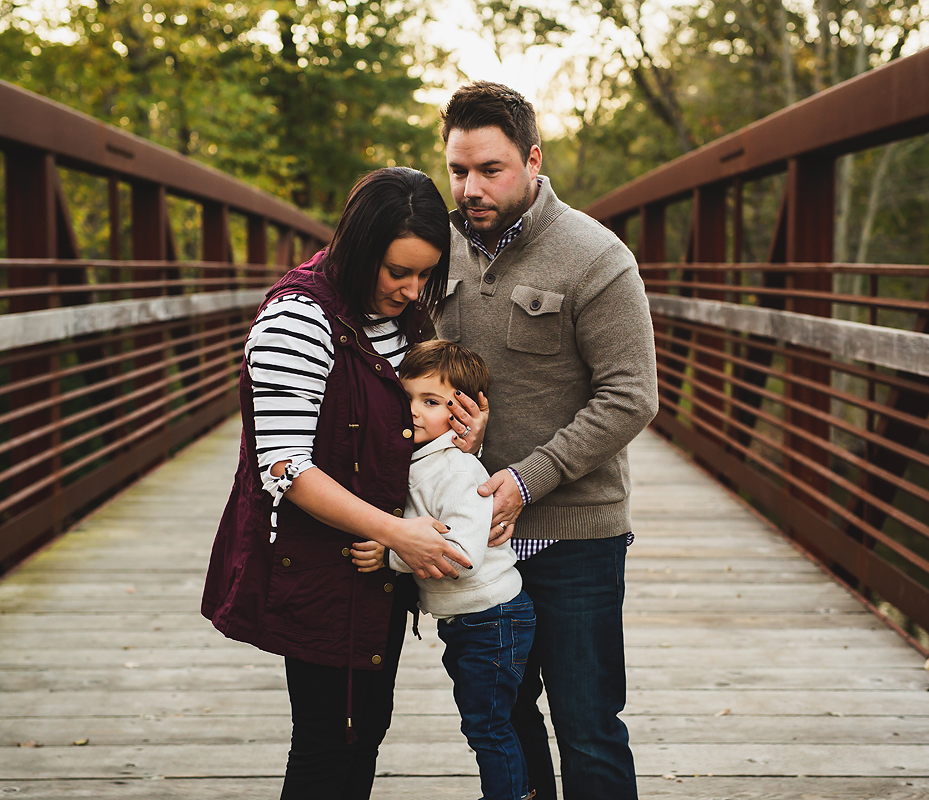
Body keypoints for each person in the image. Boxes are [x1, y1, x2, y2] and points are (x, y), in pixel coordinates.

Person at [201, 167, 485, 800]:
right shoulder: (297, 320)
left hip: (379, 560)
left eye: (424, 274)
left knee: (365, 730)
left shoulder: (401, 316)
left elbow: (406, 420)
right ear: (359, 249)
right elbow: (284, 467)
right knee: (330, 739)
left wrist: (460, 435)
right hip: (321, 561)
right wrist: (396, 534)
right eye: (397, 272)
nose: (413, 291)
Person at [435, 81, 659, 800]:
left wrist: (529, 478)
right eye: (457, 170)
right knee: (501, 718)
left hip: (574, 538)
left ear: (533, 160)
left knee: (589, 726)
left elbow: (632, 396)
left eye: (489, 169)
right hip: (474, 535)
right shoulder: (433, 254)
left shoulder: (596, 257)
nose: (470, 188)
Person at [358, 339, 535, 800]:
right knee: (486, 722)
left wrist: (389, 555)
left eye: (432, 402)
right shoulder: (416, 460)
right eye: (407, 397)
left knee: (488, 727)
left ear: (462, 413)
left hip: (492, 619)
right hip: (470, 621)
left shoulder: (456, 472)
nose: (414, 411)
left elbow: (460, 554)